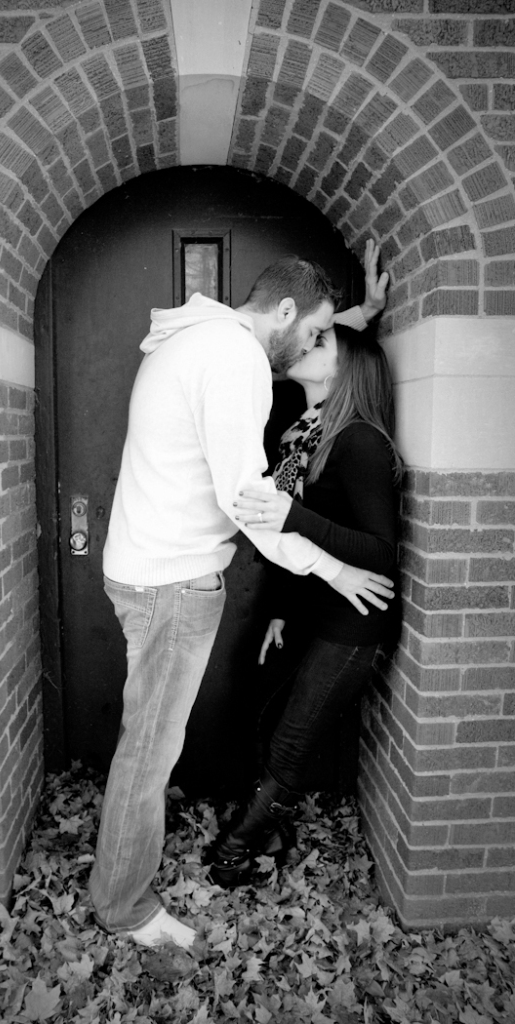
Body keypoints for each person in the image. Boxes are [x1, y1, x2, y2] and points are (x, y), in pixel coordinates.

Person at [89, 245, 390, 949]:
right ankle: (124, 906)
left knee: (147, 741)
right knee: (149, 752)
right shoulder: (234, 362)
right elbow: (250, 503)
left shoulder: (205, 338)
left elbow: (305, 340)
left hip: (147, 569)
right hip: (172, 582)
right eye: (315, 331)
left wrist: (359, 315)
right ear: (284, 312)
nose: (315, 345)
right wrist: (335, 571)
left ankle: (120, 884)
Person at [205, 321, 403, 888]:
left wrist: (295, 515)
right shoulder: (304, 432)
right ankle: (270, 833)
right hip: (313, 605)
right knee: (270, 719)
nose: (307, 344)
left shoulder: (360, 440)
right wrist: (282, 609)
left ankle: (232, 855)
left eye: (321, 343)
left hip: (353, 620)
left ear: (344, 371)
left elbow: (381, 551)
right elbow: (295, 540)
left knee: (292, 738)